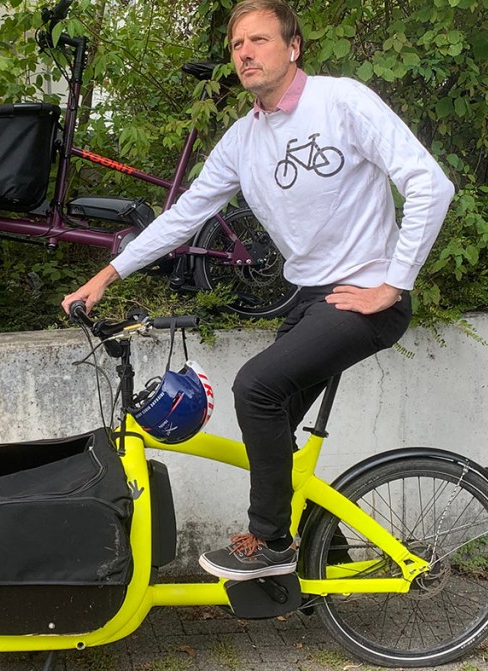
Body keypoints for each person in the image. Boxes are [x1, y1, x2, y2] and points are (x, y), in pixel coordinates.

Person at [61, 0, 455, 582]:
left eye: (260, 40)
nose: (245, 52)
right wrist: (104, 277)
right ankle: (328, 562)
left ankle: (271, 543)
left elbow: (430, 184)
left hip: (363, 298)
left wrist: (393, 285)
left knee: (256, 389)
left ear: (292, 48)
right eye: (237, 45)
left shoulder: (340, 101)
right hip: (309, 299)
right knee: (275, 443)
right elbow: (181, 217)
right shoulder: (242, 140)